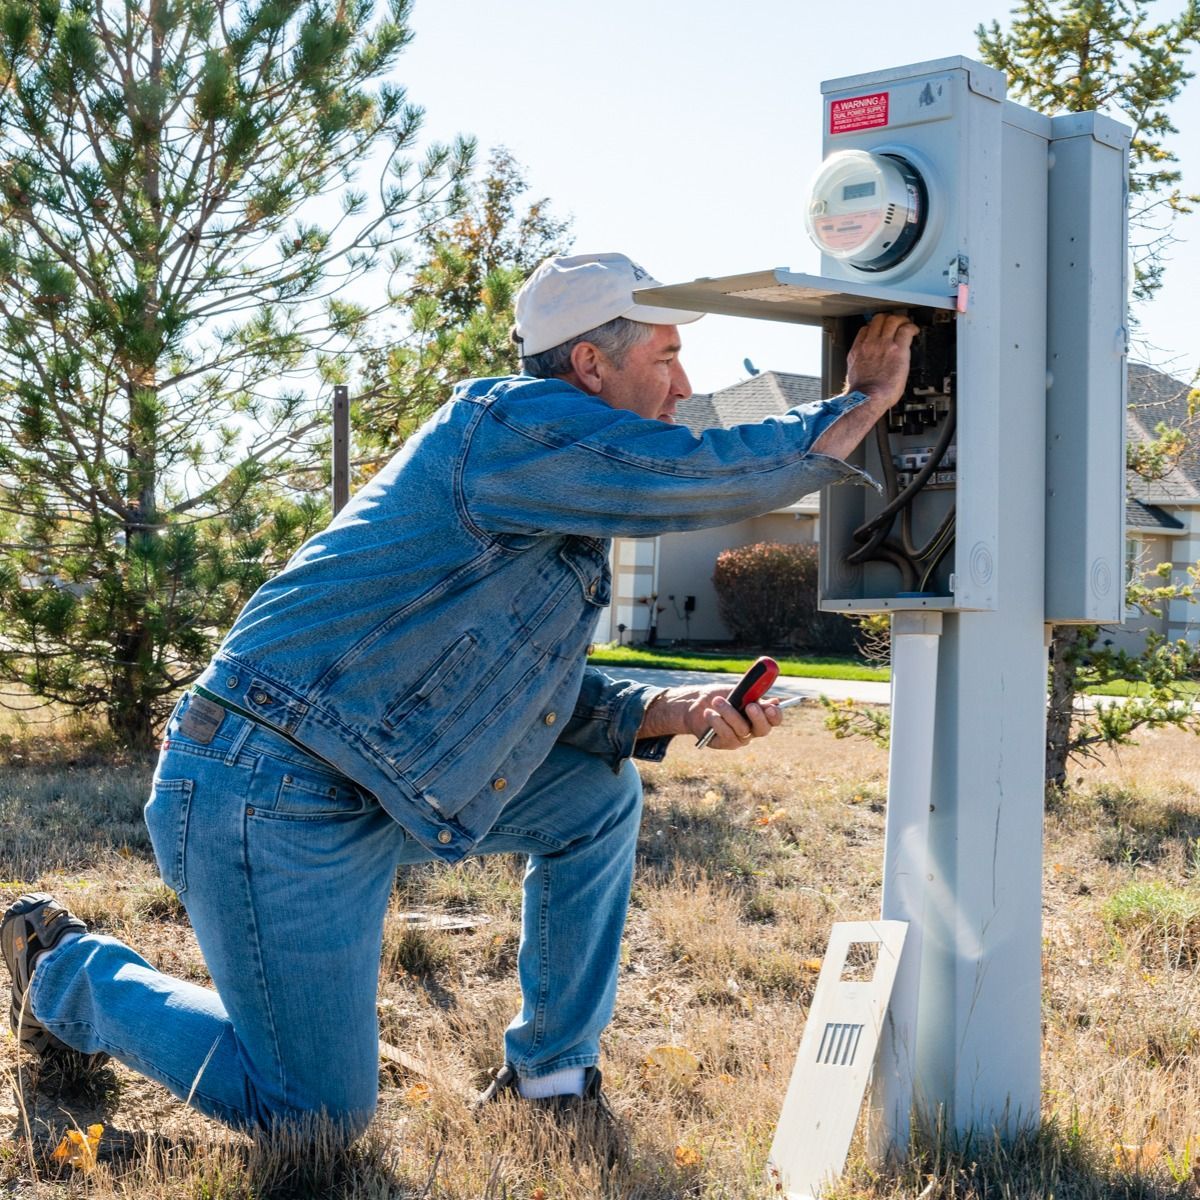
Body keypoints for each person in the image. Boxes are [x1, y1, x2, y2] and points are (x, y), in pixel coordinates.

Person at [2, 252, 916, 1139]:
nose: (684, 387)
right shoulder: (508, 426)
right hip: (267, 792)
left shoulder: (557, 491)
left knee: (595, 796)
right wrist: (863, 397)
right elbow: (710, 473)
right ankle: (63, 969)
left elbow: (527, 685)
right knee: (313, 1117)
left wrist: (673, 711)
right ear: (590, 364)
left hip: (367, 779)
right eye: (667, 356)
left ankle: (549, 1078)